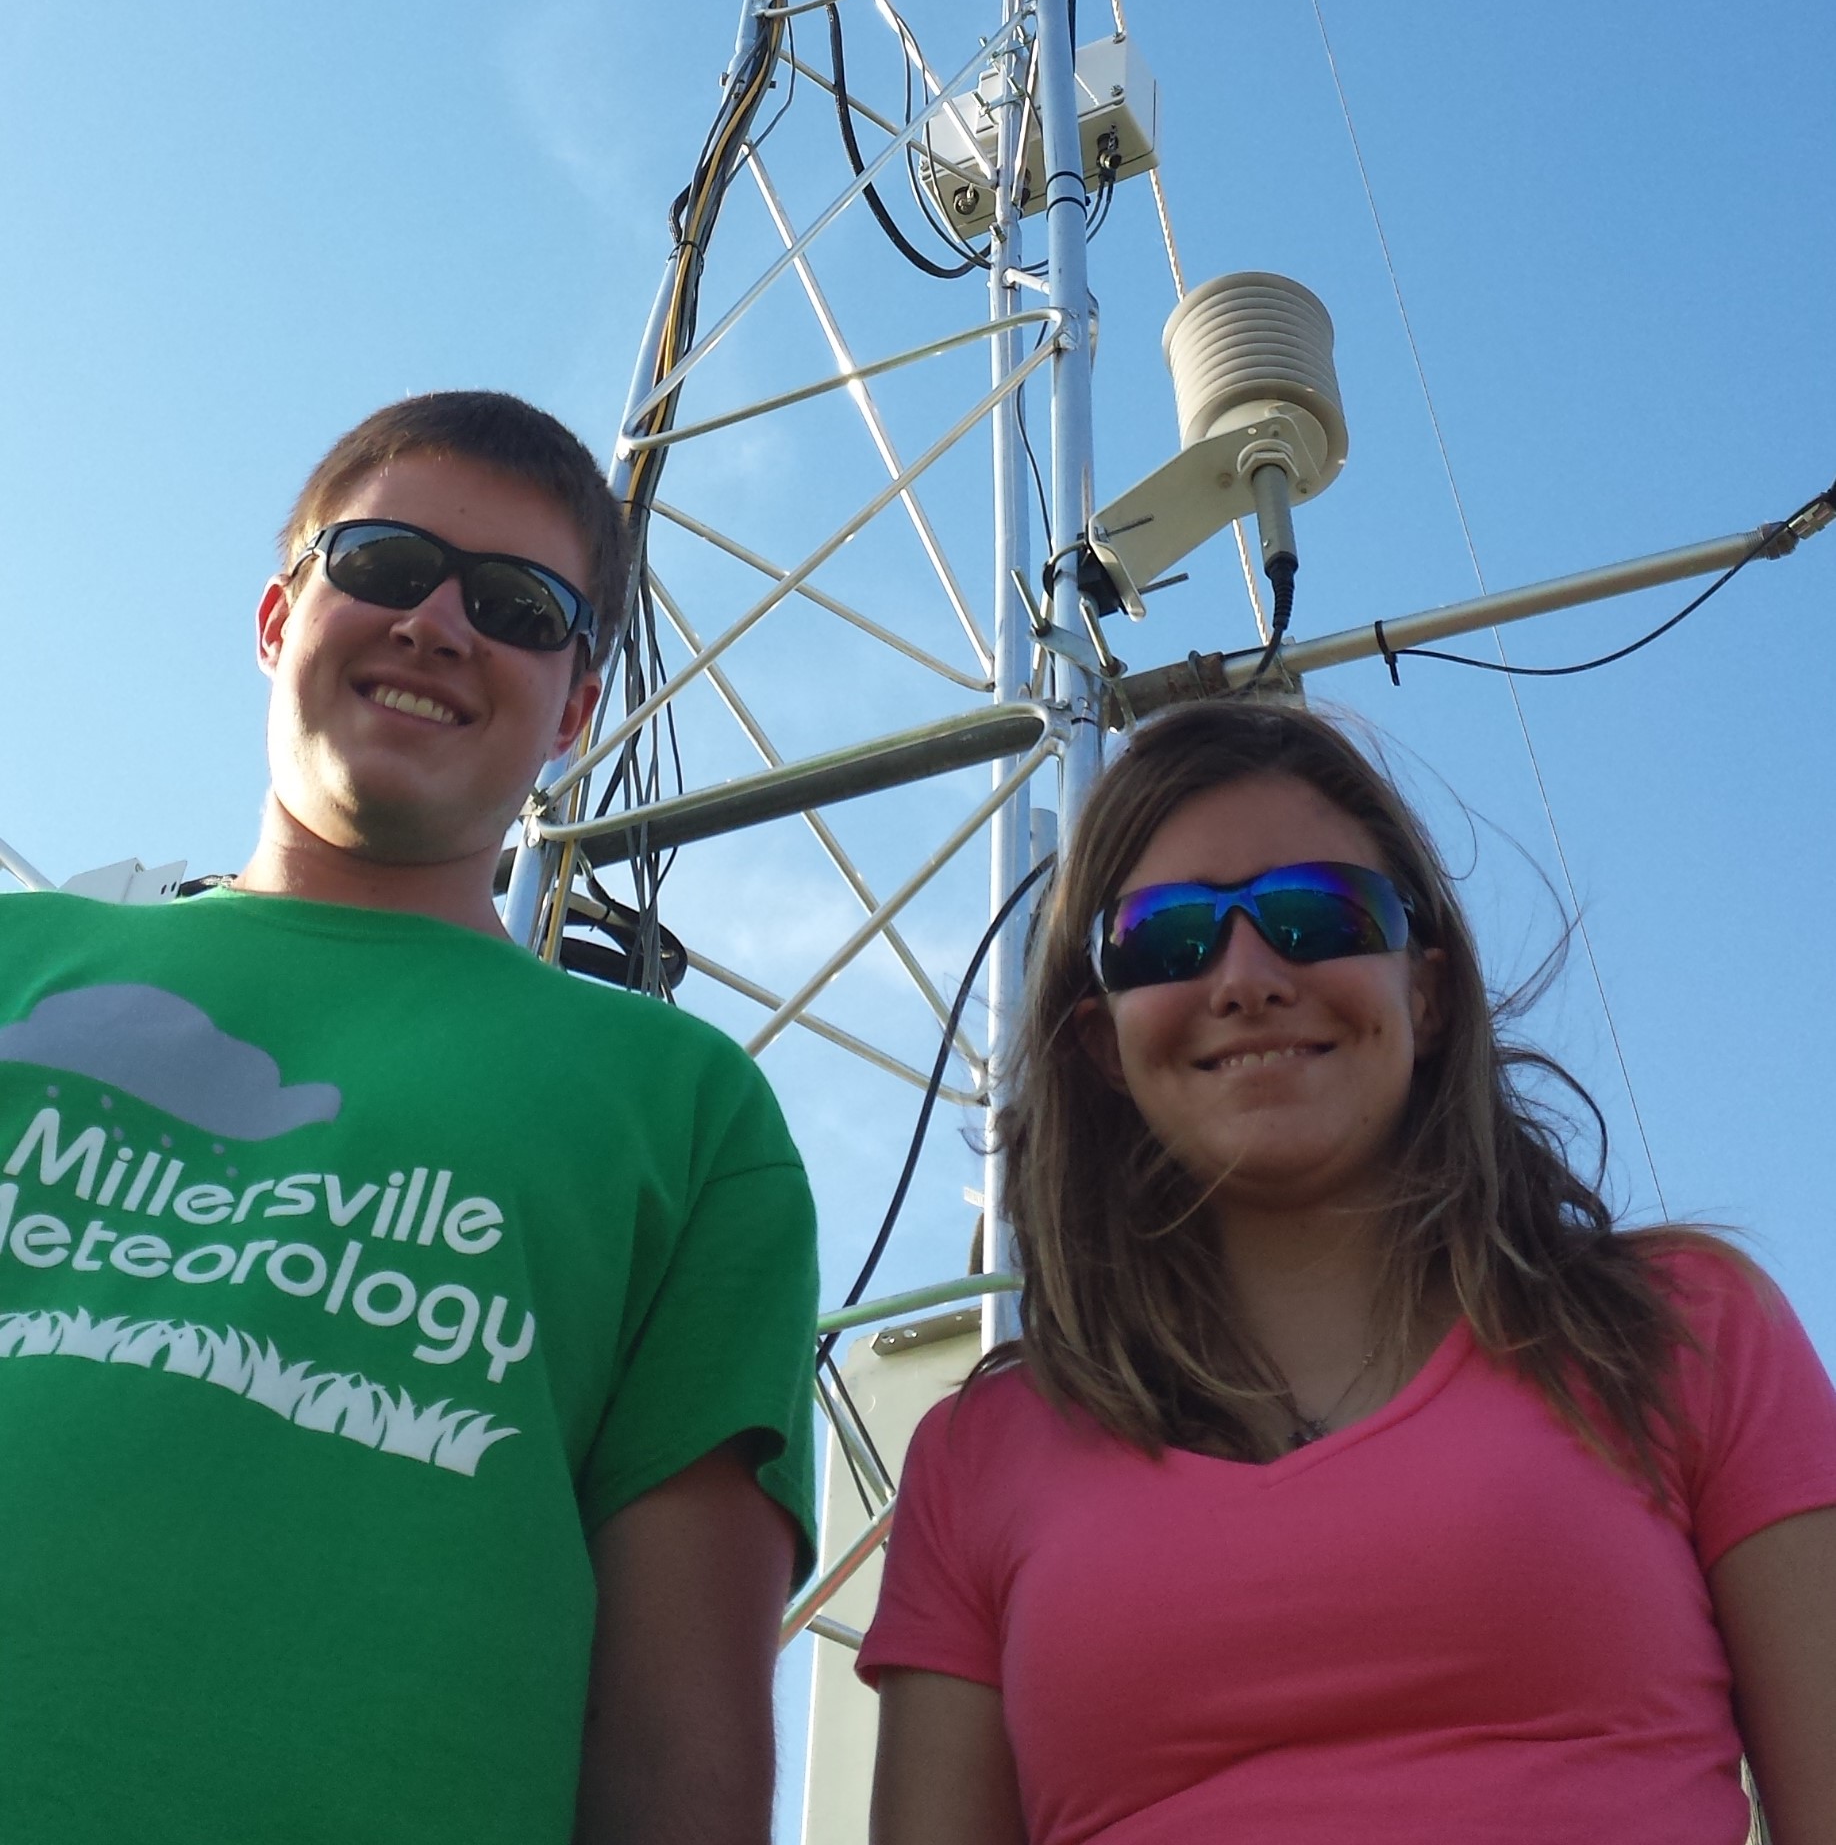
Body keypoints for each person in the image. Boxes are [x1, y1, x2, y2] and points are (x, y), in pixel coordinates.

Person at [0, 389, 818, 1845]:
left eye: (516, 602)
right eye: (381, 564)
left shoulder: (689, 1113)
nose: (437, 622)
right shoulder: (23, 962)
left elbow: (682, 1750)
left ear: (575, 712)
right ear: (276, 615)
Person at [860, 697, 1836, 1844]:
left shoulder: (1679, 1330)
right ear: (1100, 1041)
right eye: (1169, 937)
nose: (1247, 977)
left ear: (1424, 992)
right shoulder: (981, 1458)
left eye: (1316, 916)